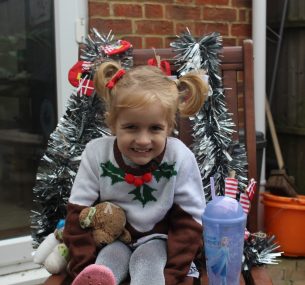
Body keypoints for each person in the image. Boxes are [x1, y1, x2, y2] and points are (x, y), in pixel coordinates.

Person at [63, 60, 209, 285]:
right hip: (113, 240)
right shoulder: (96, 154)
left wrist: (172, 276)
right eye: (131, 127)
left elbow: (189, 223)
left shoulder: (179, 157)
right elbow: (77, 217)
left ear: (169, 127)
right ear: (113, 124)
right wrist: (84, 266)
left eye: (155, 128)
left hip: (159, 241)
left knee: (147, 261)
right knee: (107, 261)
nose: (143, 140)